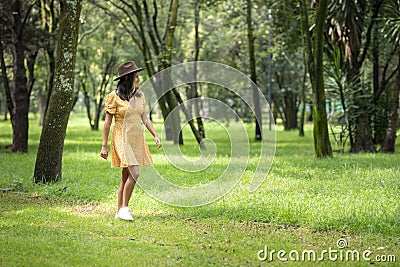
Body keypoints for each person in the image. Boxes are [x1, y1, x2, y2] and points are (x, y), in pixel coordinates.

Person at [100, 61, 161, 221]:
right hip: (121, 137)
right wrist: (104, 146)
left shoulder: (140, 95)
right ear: (127, 77)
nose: (139, 79)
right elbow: (107, 123)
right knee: (135, 173)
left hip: (136, 138)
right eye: (136, 76)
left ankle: (119, 210)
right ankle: (125, 209)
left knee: (125, 175)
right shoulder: (113, 97)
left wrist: (155, 134)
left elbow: (144, 118)